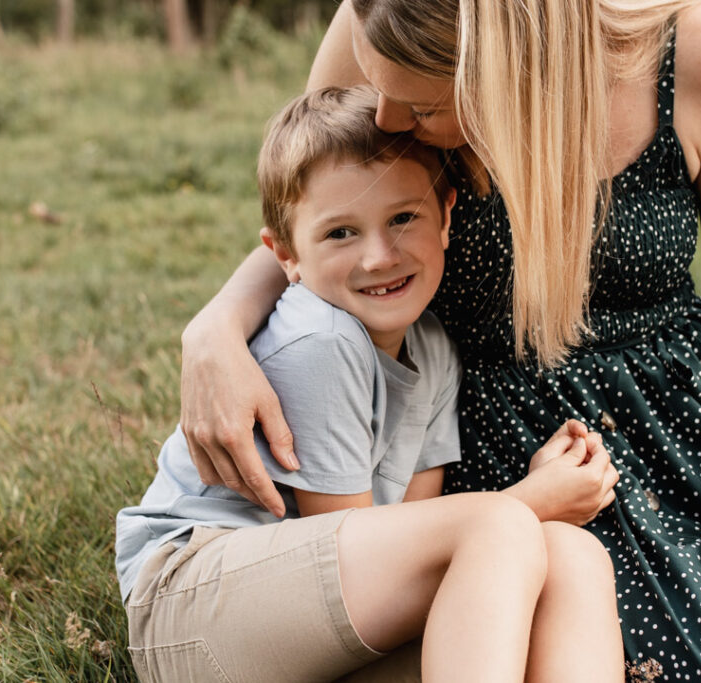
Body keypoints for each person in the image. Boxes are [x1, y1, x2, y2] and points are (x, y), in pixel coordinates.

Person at [179, 1, 701, 680]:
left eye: (425, 105)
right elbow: (320, 217)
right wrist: (213, 329)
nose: (387, 122)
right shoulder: (384, 19)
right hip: (518, 456)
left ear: (508, 70)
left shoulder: (699, 54)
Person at [117, 86, 624, 683]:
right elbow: (339, 538)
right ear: (286, 256)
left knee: (573, 557)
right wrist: (535, 498)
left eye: (403, 217)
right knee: (508, 525)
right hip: (195, 605)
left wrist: (524, 511)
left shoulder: (432, 346)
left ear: (446, 217)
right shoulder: (318, 341)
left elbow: (416, 530)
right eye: (340, 233)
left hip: (319, 619)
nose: (379, 256)